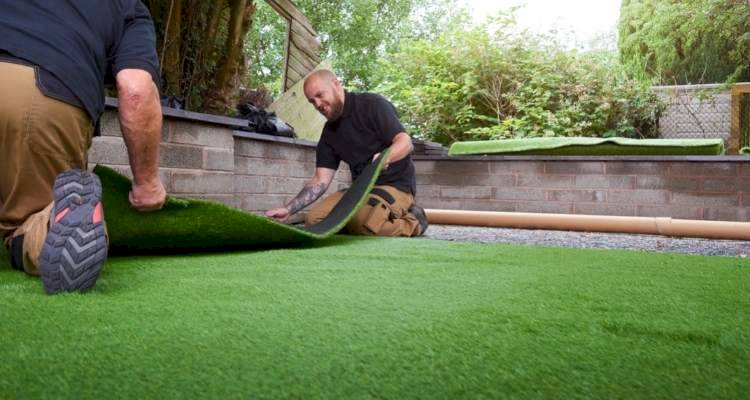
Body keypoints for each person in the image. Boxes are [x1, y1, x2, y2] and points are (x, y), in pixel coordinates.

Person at [0, 1, 167, 294]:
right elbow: (136, 89)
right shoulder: (125, 7)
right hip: (40, 101)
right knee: (26, 221)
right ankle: (46, 229)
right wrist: (148, 184)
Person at [265, 69, 428, 237]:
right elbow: (320, 180)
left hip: (396, 186)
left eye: (320, 95)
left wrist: (386, 156)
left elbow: (405, 142)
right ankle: (362, 222)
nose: (318, 104)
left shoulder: (372, 105)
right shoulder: (329, 133)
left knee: (362, 224)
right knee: (314, 220)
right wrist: (288, 209)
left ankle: (415, 221)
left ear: (336, 84)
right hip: (359, 190)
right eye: (312, 101)